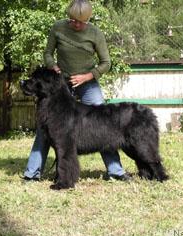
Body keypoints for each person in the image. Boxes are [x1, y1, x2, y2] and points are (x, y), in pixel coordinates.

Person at [23, 0, 131, 182]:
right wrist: (53, 66)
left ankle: (116, 172)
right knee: (47, 126)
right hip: (60, 86)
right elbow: (48, 53)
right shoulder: (58, 28)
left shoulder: (95, 33)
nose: (75, 24)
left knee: (104, 125)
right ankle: (32, 174)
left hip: (87, 83)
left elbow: (106, 63)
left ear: (87, 20)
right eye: (72, 20)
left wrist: (89, 76)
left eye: (80, 22)